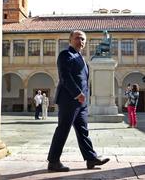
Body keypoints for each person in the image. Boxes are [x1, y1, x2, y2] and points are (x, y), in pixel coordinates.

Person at [47, 30, 110, 172]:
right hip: (68, 100)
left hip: (81, 103)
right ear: (70, 40)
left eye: (83, 39)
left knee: (83, 131)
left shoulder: (81, 58)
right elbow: (65, 77)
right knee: (63, 130)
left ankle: (91, 159)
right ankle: (53, 161)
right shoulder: (65, 55)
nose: (80, 41)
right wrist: (77, 94)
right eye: (77, 38)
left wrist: (83, 98)